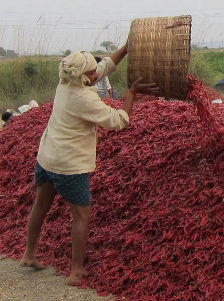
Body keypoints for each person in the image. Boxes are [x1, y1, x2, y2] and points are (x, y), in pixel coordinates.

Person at [20, 42, 159, 286]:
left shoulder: (65, 81)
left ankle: (28, 255)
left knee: (40, 206)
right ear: (84, 76)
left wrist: (128, 46)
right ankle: (76, 271)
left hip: (47, 155)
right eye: (92, 73)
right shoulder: (84, 98)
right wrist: (132, 94)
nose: (97, 75)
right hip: (69, 164)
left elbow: (104, 66)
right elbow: (118, 121)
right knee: (81, 216)